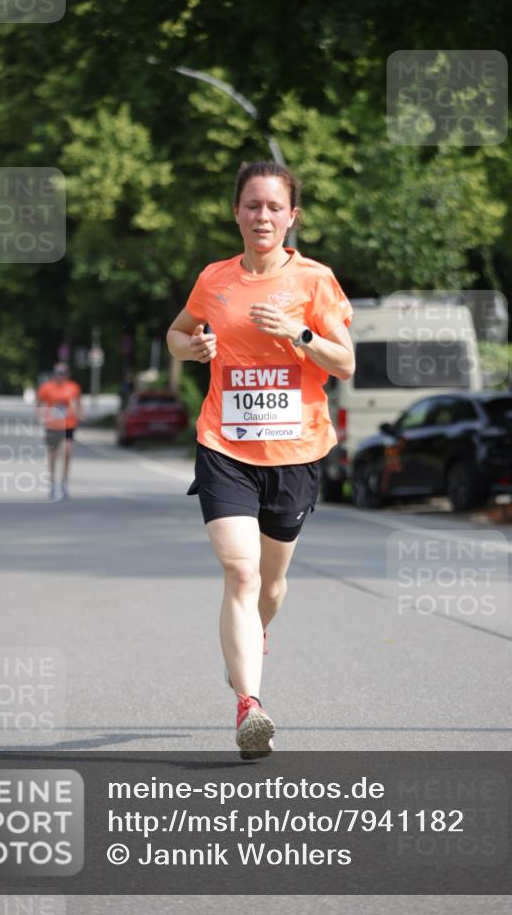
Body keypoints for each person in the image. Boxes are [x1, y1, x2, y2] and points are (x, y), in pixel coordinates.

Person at [166, 161, 354, 757]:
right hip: (225, 444)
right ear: (236, 212)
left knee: (270, 583)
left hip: (294, 452)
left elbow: (345, 363)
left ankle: (250, 636)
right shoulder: (214, 279)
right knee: (241, 573)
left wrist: (299, 334)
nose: (263, 216)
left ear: (292, 217)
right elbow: (176, 333)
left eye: (275, 207)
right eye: (252, 205)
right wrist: (192, 347)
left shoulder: (316, 281)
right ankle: (250, 705)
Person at [36, 362, 83, 500]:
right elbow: (38, 404)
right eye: (58, 373)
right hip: (52, 425)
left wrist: (79, 414)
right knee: (53, 455)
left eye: (63, 373)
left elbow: (79, 403)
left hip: (68, 424)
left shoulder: (73, 387)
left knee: (67, 452)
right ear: (54, 374)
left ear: (67, 374)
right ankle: (52, 483)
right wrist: (41, 417)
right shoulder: (46, 387)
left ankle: (64, 483)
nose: (60, 376)